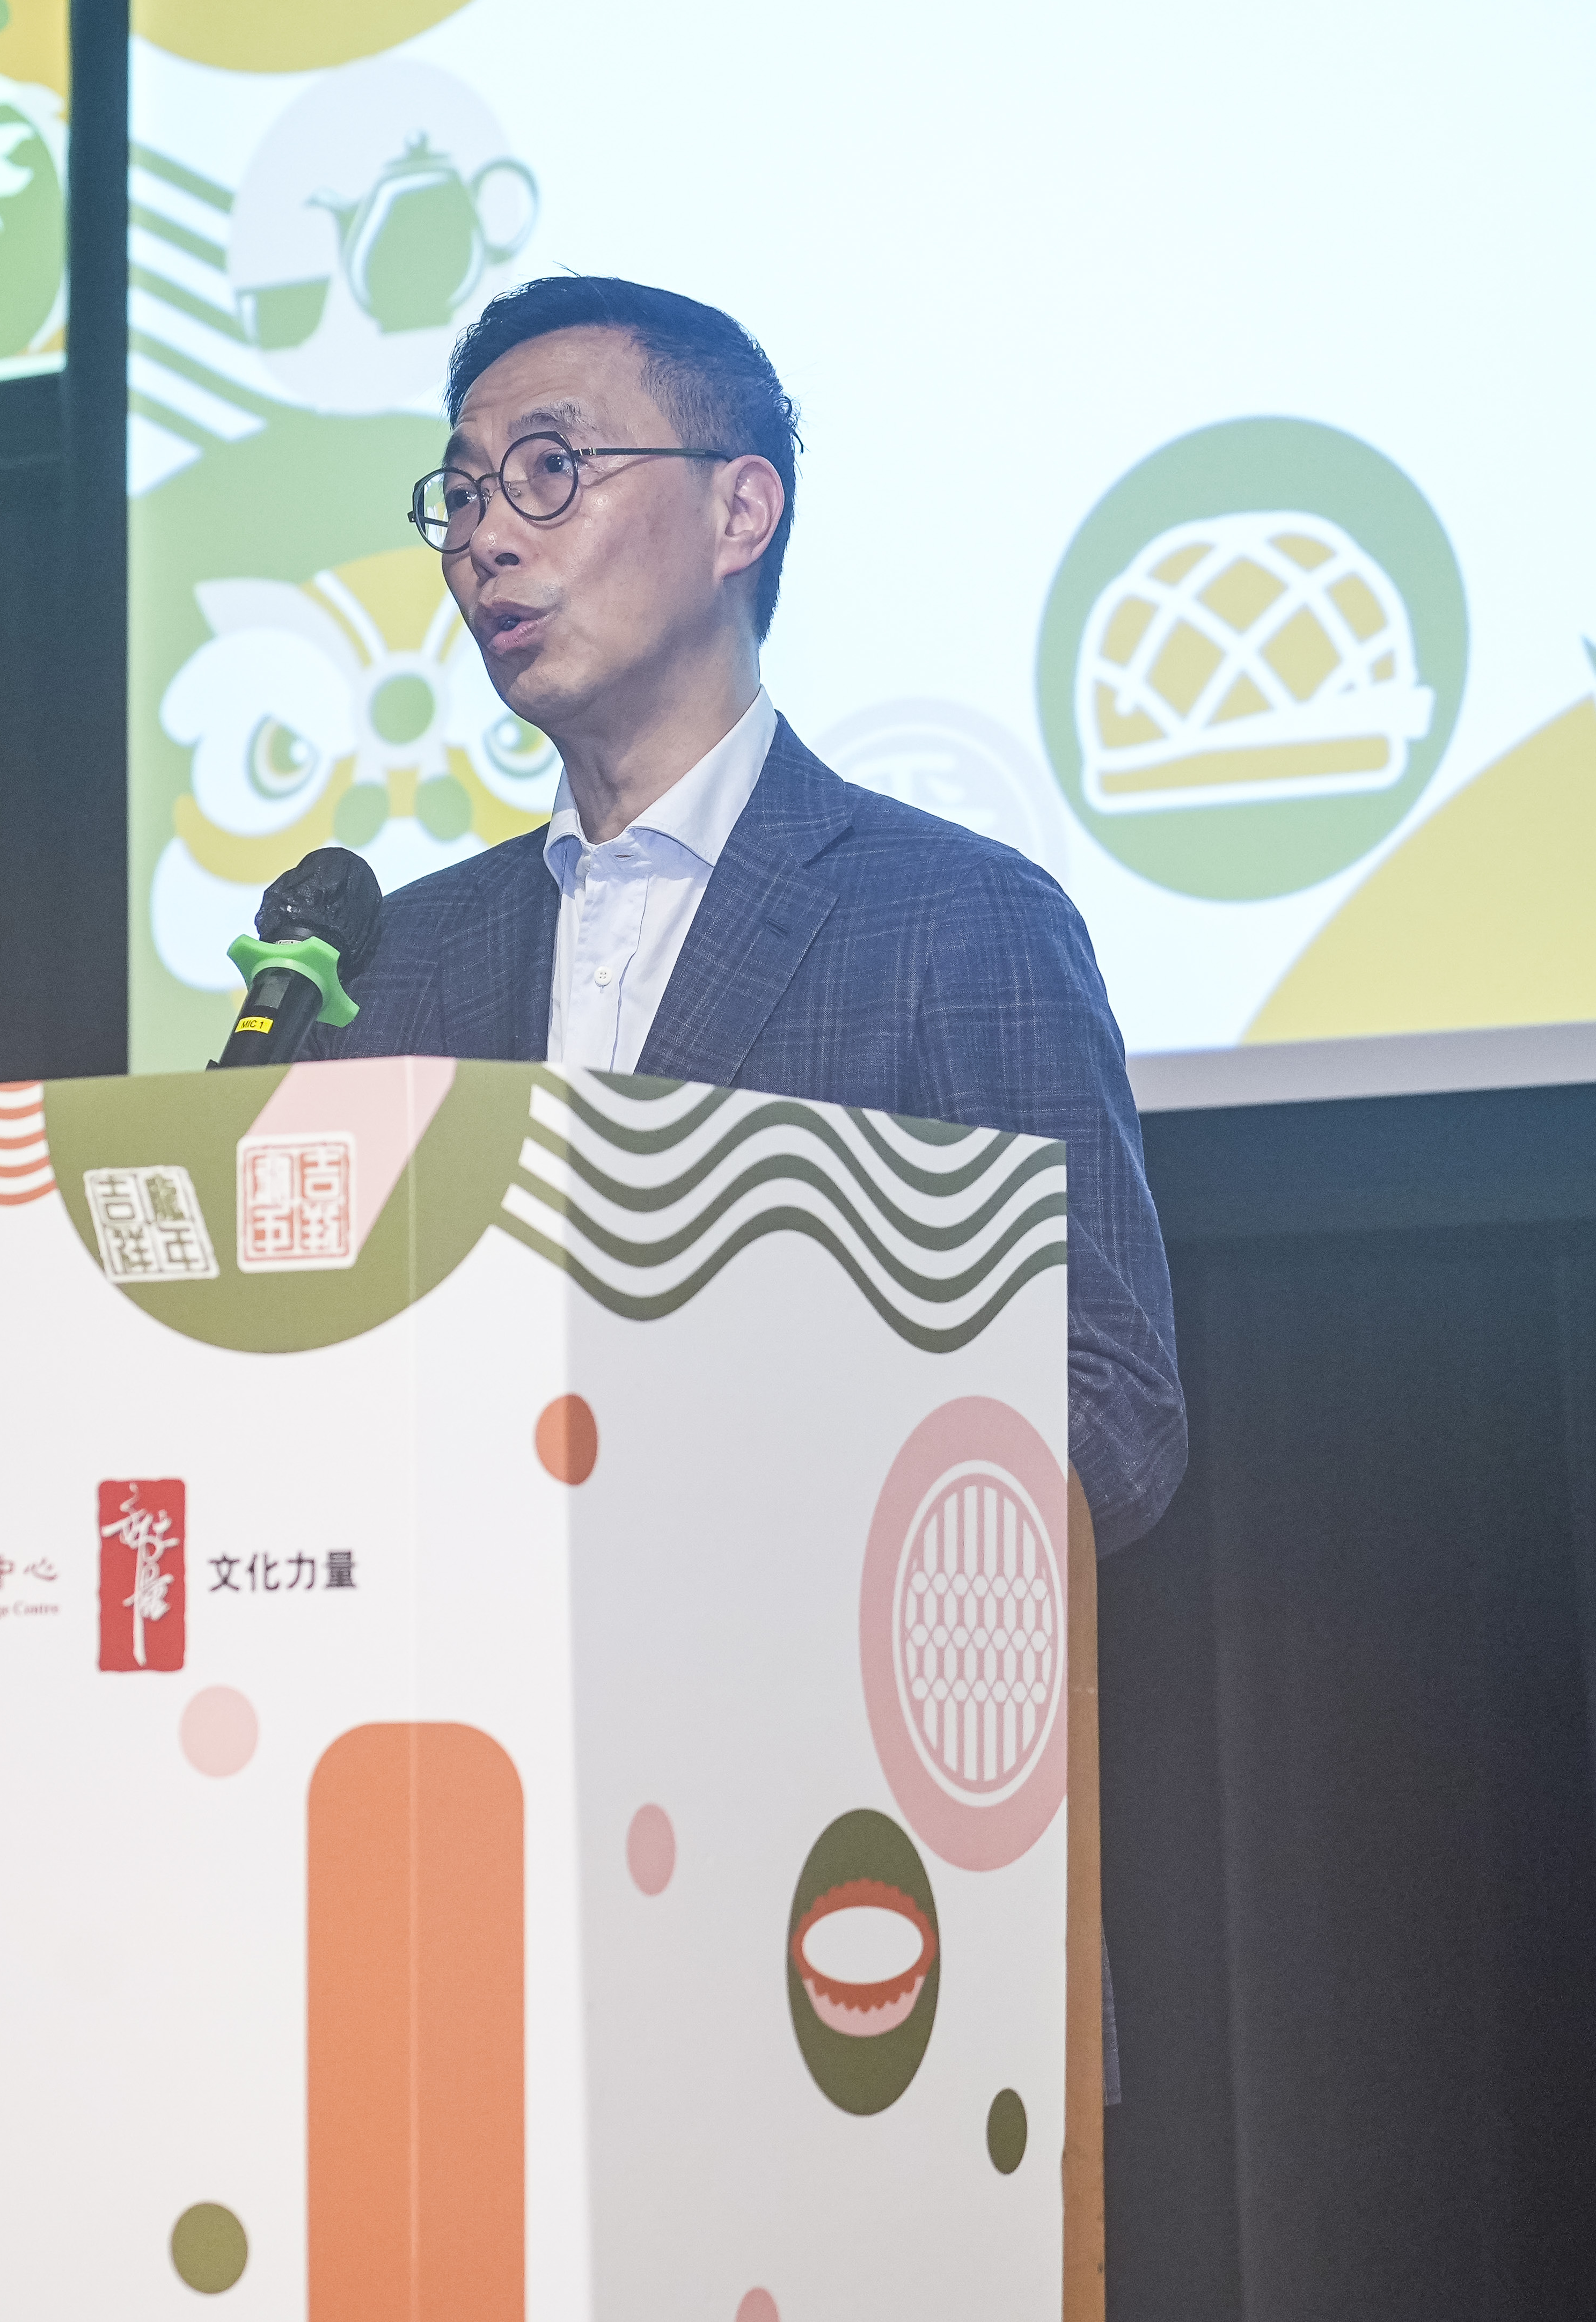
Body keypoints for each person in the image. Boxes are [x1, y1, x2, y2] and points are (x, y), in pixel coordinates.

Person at [317, 275, 1185, 1547]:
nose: (488, 537)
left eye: (550, 469)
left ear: (740, 513)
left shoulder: (955, 919)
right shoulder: (397, 956)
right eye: (463, 495)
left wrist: (755, 1509)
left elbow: (1107, 1405)